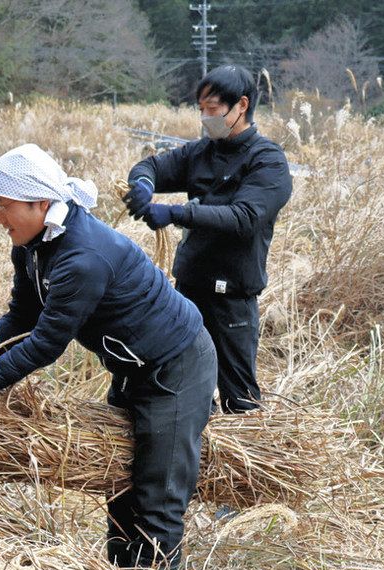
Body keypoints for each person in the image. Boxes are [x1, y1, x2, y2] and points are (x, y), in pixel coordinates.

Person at [0, 144, 217, 570]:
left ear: (41, 202)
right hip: (134, 368)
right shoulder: (33, 244)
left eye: (4, 206)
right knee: (123, 489)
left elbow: (44, 344)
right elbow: (23, 317)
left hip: (177, 368)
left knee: (157, 496)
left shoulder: (83, 257)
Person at [123, 64, 293, 414]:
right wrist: (142, 184)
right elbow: (151, 167)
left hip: (232, 299)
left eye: (212, 109)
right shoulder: (200, 152)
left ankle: (241, 463)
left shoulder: (268, 161)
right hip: (187, 292)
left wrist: (176, 212)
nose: (205, 118)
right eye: (200, 109)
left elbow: (244, 217)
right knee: (179, 388)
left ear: (241, 106)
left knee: (240, 402)